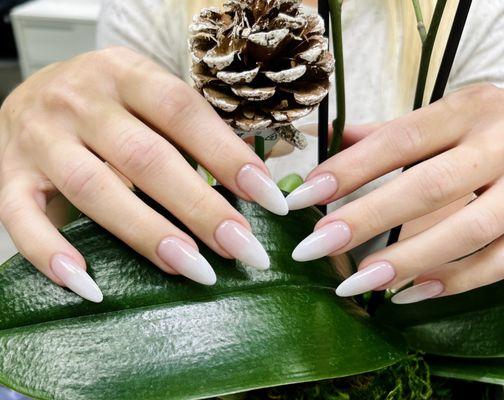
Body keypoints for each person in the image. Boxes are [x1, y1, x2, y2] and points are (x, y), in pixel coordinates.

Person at [0, 0, 502, 305]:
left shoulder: (463, 16)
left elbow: (462, 223)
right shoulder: (151, 9)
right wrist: (43, 119)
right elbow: (113, 195)